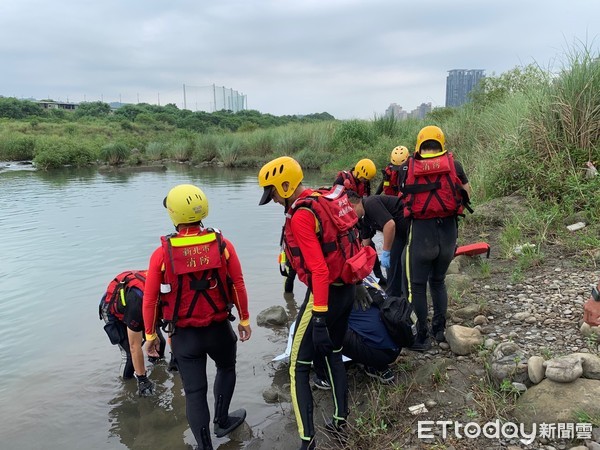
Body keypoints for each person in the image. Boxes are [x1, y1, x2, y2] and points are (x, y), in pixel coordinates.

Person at [258, 156, 362, 450]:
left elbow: (318, 270)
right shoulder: (321, 199)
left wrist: (318, 318)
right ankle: (341, 422)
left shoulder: (302, 215)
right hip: (347, 291)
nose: (275, 200)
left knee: (298, 368)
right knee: (334, 354)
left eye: (274, 193)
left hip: (324, 295)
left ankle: (307, 441)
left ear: (286, 185)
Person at [142, 184, 252, 450]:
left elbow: (151, 299)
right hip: (219, 331)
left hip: (185, 338)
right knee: (226, 368)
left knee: (194, 393)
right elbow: (237, 284)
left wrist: (150, 335)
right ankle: (222, 421)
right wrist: (245, 320)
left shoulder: (162, 255)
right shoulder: (222, 245)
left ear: (173, 214)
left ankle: (205, 447)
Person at [400, 125, 471, 352]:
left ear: (419, 144)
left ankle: (422, 337)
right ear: (442, 143)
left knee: (417, 286)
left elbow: (403, 198)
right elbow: (467, 194)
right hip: (447, 233)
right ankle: (439, 330)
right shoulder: (454, 166)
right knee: (438, 281)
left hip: (421, 234)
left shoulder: (408, 167)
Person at [313, 277, 400, 387]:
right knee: (363, 322)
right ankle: (379, 367)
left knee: (319, 327)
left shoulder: (335, 288)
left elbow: (324, 323)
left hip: (379, 350)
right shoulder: (364, 277)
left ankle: (324, 377)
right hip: (396, 344)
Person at [98, 270, 166, 396]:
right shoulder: (138, 302)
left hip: (142, 304)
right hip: (114, 310)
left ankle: (157, 369)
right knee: (129, 355)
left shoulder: (167, 292)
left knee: (160, 343)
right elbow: (135, 346)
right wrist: (142, 379)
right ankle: (126, 388)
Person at [346, 190, 408, 299]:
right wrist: (359, 264)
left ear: (353, 206)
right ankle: (396, 295)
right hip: (398, 233)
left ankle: (393, 299)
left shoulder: (370, 203)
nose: (351, 217)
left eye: (350, 212)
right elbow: (365, 243)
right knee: (393, 266)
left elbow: (390, 225)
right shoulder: (363, 219)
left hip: (407, 226)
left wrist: (385, 251)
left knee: (394, 262)